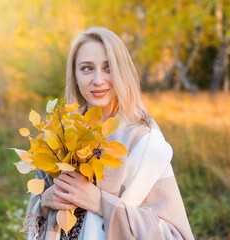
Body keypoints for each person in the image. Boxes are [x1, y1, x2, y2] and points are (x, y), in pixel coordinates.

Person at [24, 27, 194, 240]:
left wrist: (100, 203)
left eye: (108, 67)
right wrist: (46, 201)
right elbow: (35, 213)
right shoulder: (59, 133)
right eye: (87, 68)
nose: (98, 80)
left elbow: (174, 235)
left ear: (122, 71)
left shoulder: (144, 144)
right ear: (75, 76)